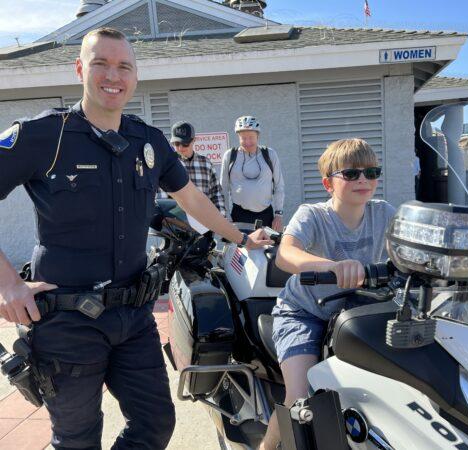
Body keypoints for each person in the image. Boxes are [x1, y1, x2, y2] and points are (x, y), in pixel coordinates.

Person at [0, 27, 271, 450]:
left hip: (133, 318)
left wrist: (240, 236)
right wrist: (8, 283)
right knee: (76, 441)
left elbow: (192, 198)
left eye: (124, 65)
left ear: (135, 76)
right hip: (67, 324)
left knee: (156, 425)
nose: (114, 75)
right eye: (101, 63)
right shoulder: (43, 136)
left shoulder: (149, 141)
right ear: (79, 70)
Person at [259, 138, 396, 450]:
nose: (363, 179)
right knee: (299, 397)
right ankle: (266, 447)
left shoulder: (384, 213)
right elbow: (286, 254)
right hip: (305, 313)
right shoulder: (313, 215)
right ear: (328, 183)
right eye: (351, 174)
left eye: (371, 172)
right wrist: (333, 267)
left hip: (359, 313)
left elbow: (409, 250)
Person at [220, 116, 285, 231]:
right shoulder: (230, 156)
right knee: (240, 249)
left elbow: (279, 185)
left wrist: (279, 214)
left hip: (266, 215)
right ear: (238, 137)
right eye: (243, 138)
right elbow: (223, 188)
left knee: (268, 248)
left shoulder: (270, 155)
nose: (247, 142)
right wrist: (226, 216)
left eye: (251, 137)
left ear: (258, 136)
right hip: (239, 215)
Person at [157, 121, 226, 216]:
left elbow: (216, 194)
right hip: (177, 224)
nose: (180, 147)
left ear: (194, 140)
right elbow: (163, 200)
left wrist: (221, 221)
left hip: (206, 222)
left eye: (185, 143)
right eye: (176, 143)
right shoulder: (166, 165)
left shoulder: (206, 163)